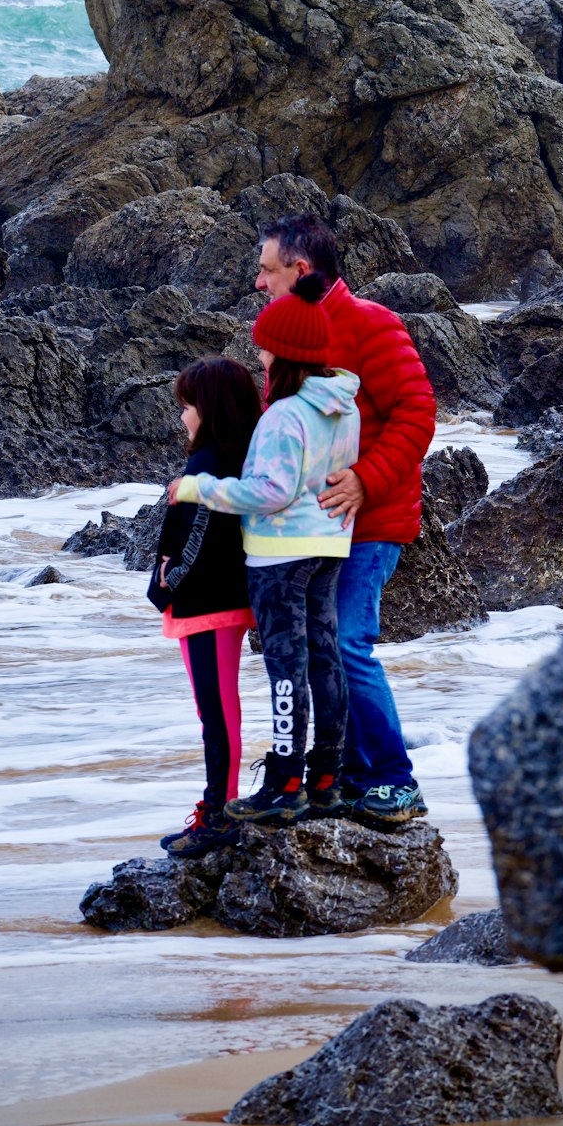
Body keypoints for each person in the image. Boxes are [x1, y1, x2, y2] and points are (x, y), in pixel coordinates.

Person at [254, 213, 437, 825]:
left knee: (350, 646)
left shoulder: (370, 323)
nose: (259, 282)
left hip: (372, 521)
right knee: (319, 651)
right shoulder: (289, 334)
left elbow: (417, 412)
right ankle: (351, 774)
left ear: (300, 270)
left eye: (267, 269)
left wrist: (365, 479)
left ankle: (394, 778)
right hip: (312, 531)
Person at [168, 275, 361, 826]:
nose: (259, 354)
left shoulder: (282, 416)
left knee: (286, 667)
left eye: (264, 346)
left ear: (285, 353)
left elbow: (271, 492)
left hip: (280, 555)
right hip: (330, 544)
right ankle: (327, 777)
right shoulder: (343, 407)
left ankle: (284, 782)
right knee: (326, 658)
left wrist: (198, 489)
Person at [149, 358, 263, 858]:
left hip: (209, 603)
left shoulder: (209, 464)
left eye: (188, 406)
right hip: (216, 600)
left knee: (215, 712)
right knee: (218, 711)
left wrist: (168, 583)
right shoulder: (234, 458)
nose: (182, 418)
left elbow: (197, 539)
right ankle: (219, 807)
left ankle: (219, 813)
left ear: (210, 408)